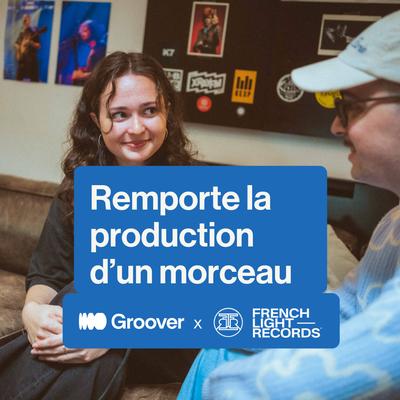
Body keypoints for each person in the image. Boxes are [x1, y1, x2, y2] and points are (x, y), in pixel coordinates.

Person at [178, 10, 400, 399]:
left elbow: (372, 356)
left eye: (351, 106)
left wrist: (219, 385)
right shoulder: (394, 221)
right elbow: (342, 310)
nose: (336, 126)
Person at [0, 51, 198, 399]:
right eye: (119, 114)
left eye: (149, 111)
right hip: (96, 337)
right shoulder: (78, 190)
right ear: (97, 120)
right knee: (86, 345)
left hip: (166, 340)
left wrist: (113, 331)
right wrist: (33, 312)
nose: (136, 128)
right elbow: (47, 274)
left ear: (166, 111)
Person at [14, 14, 41, 82]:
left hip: (31, 61)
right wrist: (18, 49)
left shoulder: (34, 31)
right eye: (24, 20)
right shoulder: (21, 33)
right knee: (18, 81)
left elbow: (38, 45)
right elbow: (16, 43)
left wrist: (31, 43)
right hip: (22, 60)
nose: (25, 21)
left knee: (34, 81)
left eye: (26, 20)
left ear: (29, 21)